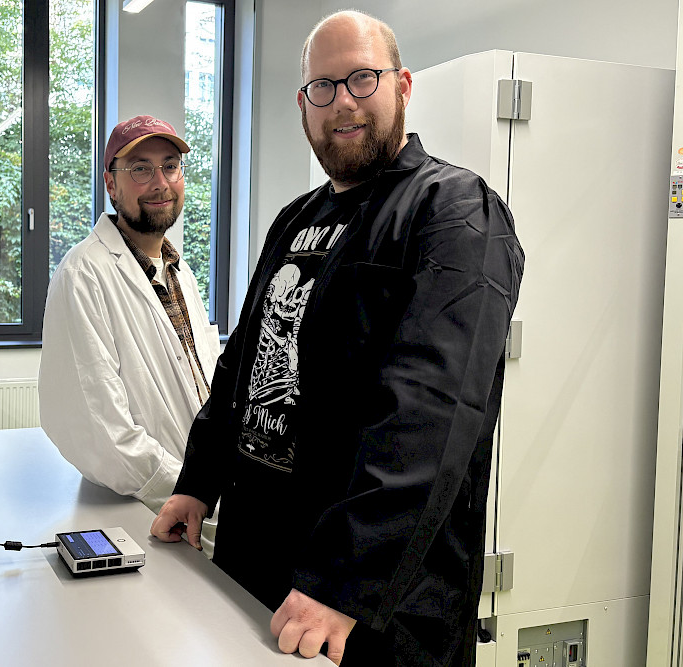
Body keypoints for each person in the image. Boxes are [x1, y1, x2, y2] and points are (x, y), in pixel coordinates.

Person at [151, 10, 524, 667]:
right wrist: (198, 481)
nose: (342, 102)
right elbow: (243, 364)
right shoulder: (295, 219)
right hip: (259, 563)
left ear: (403, 85)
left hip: (371, 605)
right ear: (304, 105)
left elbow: (430, 411)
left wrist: (343, 579)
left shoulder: (454, 211)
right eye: (322, 87)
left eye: (361, 78)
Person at [39, 115, 221, 552]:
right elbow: (102, 432)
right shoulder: (83, 274)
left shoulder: (180, 272)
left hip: (201, 503)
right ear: (111, 184)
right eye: (141, 169)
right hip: (144, 514)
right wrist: (190, 490)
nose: (160, 182)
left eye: (170, 166)